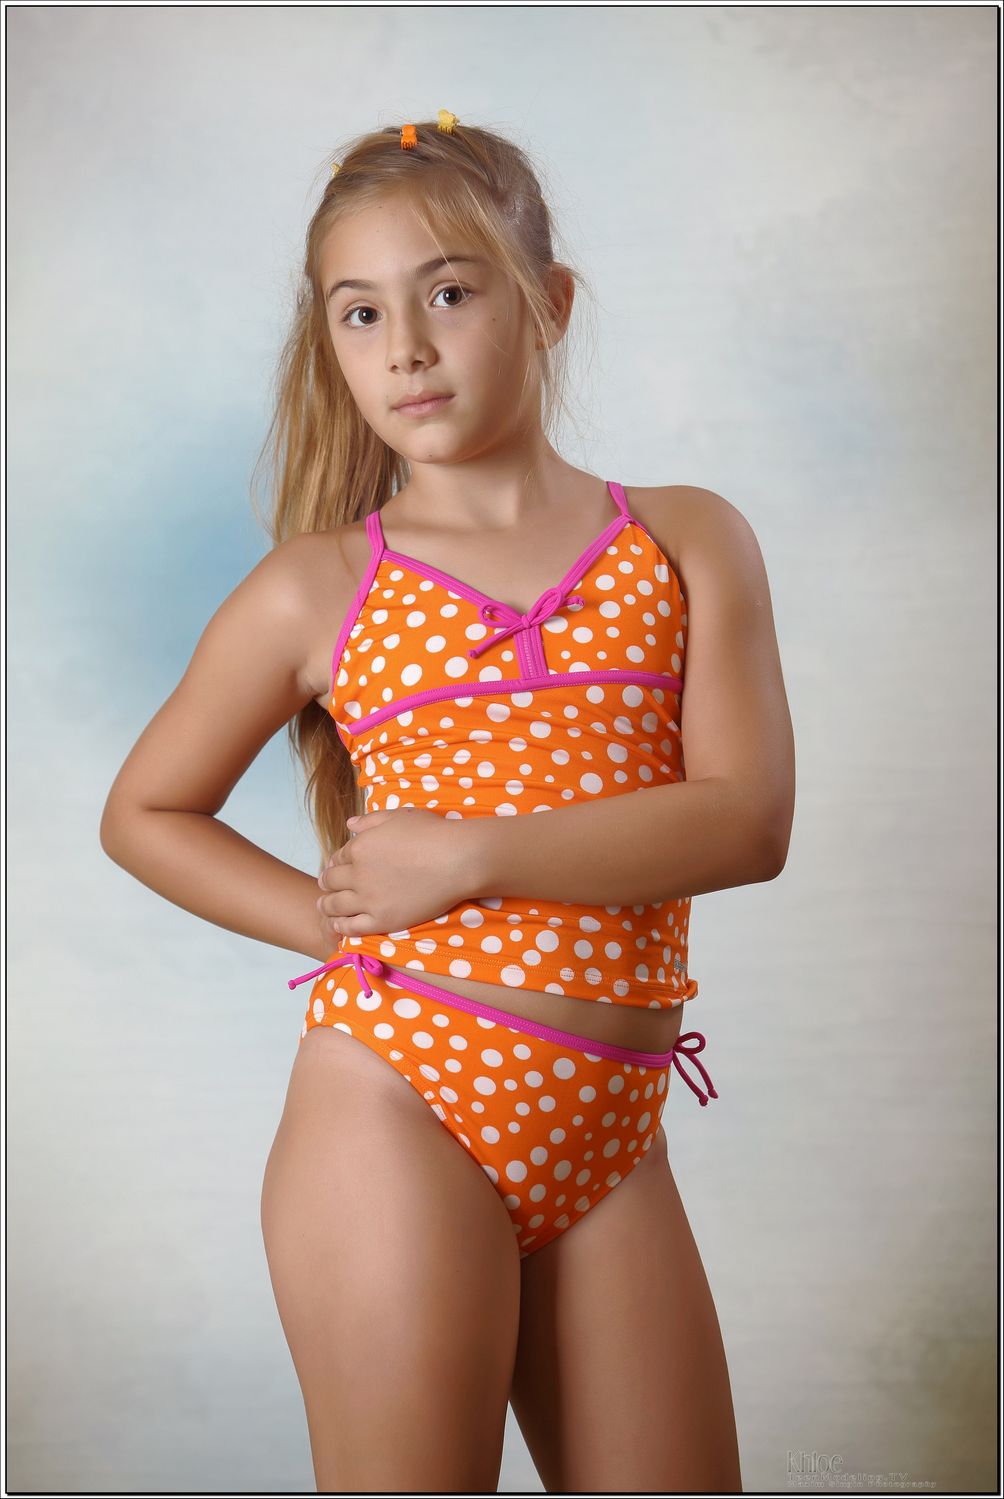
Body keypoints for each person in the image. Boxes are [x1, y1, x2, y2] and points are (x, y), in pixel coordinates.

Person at [100, 109, 795, 1494]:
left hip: (614, 1135)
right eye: (360, 314)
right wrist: (339, 926)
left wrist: (473, 857)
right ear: (331, 346)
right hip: (399, 1103)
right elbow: (146, 814)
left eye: (451, 293)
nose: (406, 347)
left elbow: (747, 823)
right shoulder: (320, 587)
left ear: (549, 304)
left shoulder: (683, 538)